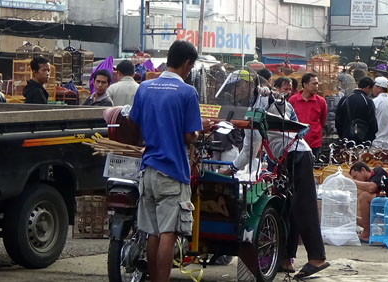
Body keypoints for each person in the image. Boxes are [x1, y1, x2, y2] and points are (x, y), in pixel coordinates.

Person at [219, 78, 329, 279]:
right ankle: (285, 259)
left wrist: (229, 170)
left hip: (297, 156)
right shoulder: (264, 106)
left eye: (240, 87)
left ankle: (317, 258)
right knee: (287, 208)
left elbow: (248, 152)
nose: (237, 91)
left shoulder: (258, 109)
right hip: (289, 158)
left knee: (303, 207)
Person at [129, 40, 203, 282]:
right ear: (187, 64)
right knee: (168, 233)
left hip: (148, 169)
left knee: (152, 232)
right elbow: (188, 136)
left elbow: (135, 121)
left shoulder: (144, 88)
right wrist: (198, 133)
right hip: (172, 171)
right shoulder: (187, 92)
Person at [349, 162, 388, 243]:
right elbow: (366, 222)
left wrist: (352, 182)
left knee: (364, 196)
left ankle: (366, 234)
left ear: (363, 170)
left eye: (355, 177)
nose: (356, 180)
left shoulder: (378, 171)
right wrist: (349, 216)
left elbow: (371, 187)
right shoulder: (375, 186)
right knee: (367, 201)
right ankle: (366, 233)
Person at [288, 73, 327, 160]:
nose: (316, 86)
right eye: (314, 84)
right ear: (305, 85)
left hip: (314, 143)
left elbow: (322, 121)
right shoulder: (293, 100)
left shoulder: (321, 101)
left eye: (317, 84)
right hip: (296, 143)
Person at [335, 77, 378, 143]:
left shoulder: (345, 99)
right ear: (368, 87)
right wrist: (370, 138)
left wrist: (341, 135)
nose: (370, 92)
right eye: (371, 90)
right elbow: (372, 122)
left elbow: (337, 119)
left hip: (345, 138)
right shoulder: (367, 101)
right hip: (363, 139)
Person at [371, 77, 388, 150]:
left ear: (379, 88)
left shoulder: (375, 102)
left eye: (374, 86)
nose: (372, 89)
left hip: (375, 143)